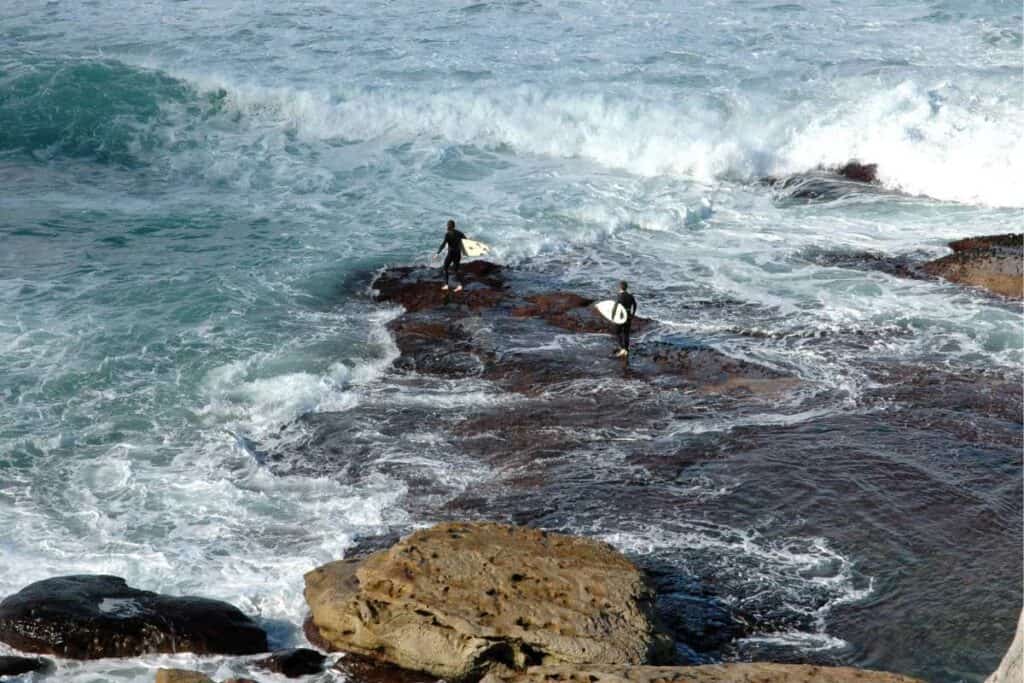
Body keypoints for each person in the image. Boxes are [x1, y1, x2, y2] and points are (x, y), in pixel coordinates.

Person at [435, 219, 467, 292]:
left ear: (448, 226)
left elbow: (443, 244)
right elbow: (466, 241)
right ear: (454, 226)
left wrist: (437, 253)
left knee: (445, 267)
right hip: (458, 253)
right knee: (456, 270)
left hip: (451, 253)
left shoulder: (448, 234)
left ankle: (446, 285)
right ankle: (459, 286)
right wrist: (466, 252)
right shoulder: (459, 233)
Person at [613, 281, 637, 357]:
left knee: (618, 332)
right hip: (628, 316)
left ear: (620, 287)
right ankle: (626, 349)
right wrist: (633, 314)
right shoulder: (630, 296)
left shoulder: (619, 296)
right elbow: (635, 305)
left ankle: (622, 348)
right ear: (626, 287)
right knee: (626, 333)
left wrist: (613, 317)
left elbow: (615, 307)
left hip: (621, 316)